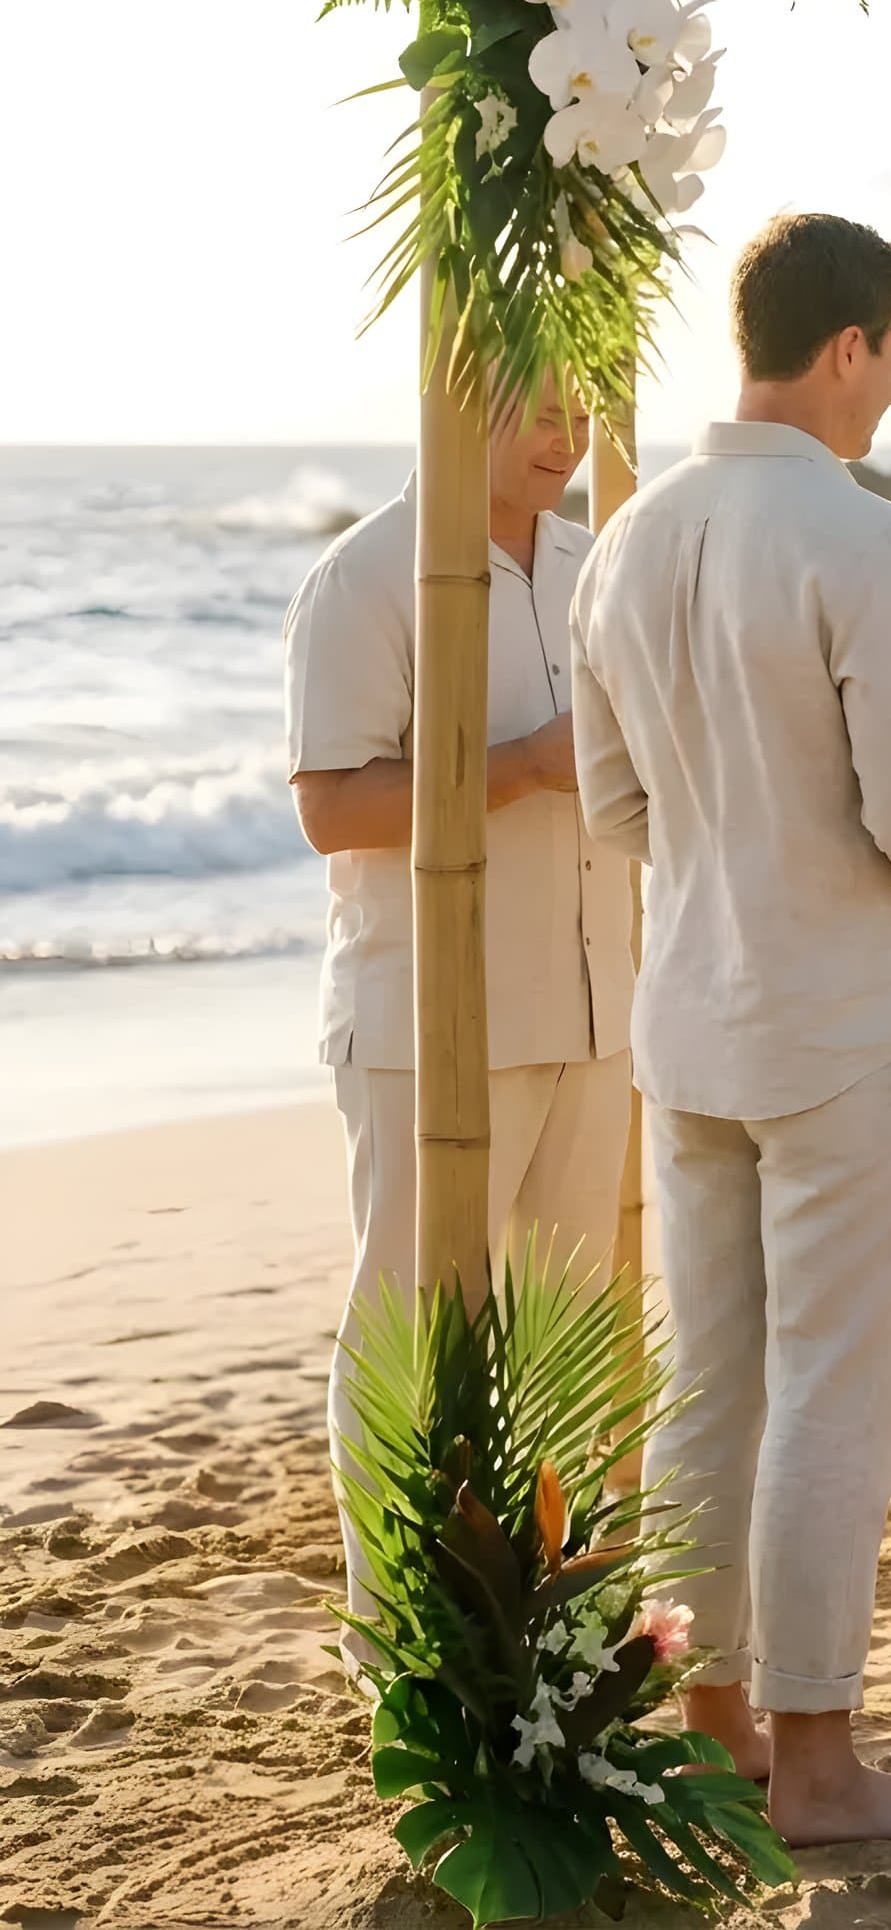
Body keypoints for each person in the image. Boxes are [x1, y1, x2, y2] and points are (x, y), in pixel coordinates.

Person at [569, 212, 891, 1847]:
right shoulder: (866, 540)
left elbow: (614, 804)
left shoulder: (624, 536)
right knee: (836, 1393)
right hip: (842, 1025)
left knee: (710, 1387)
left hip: (687, 1018)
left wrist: (736, 850)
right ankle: (823, 1763)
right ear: (846, 348)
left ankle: (713, 1733)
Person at [284, 380, 636, 1623]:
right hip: (432, 1021)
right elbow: (331, 804)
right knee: (408, 1331)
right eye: (537, 408)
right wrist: (519, 769)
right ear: (455, 404)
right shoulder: (371, 574)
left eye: (582, 411)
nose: (566, 435)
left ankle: (547, 1632)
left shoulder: (598, 565)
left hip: (599, 1010)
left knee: (563, 1339)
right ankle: (398, 1646)